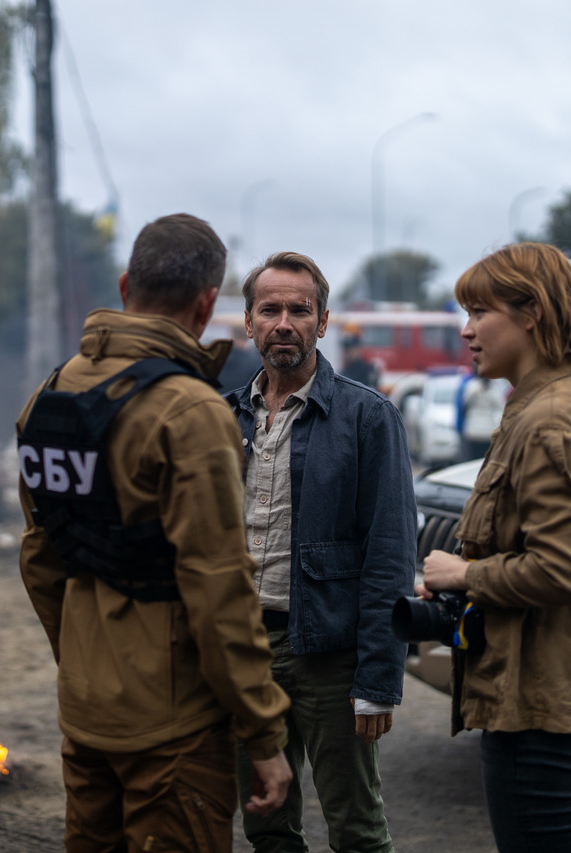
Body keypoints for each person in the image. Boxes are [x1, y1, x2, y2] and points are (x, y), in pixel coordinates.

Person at [17, 213, 293, 852]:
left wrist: (84, 663)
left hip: (86, 711)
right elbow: (219, 588)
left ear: (125, 285)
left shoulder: (49, 397)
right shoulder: (189, 411)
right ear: (206, 304)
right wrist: (263, 732)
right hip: (173, 729)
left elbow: (41, 558)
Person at [419, 242, 571, 853]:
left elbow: (563, 569)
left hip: (545, 706)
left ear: (531, 313)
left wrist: (465, 575)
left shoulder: (551, 419)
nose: (466, 330)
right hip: (552, 699)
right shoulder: (549, 403)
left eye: (479, 312)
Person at [225, 251, 417, 853]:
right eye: (269, 310)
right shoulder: (225, 417)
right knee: (266, 824)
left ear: (323, 321)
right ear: (249, 322)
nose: (284, 323)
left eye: (300, 310)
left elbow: (390, 554)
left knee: (356, 828)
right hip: (245, 653)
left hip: (329, 656)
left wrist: (378, 679)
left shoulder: (368, 417)